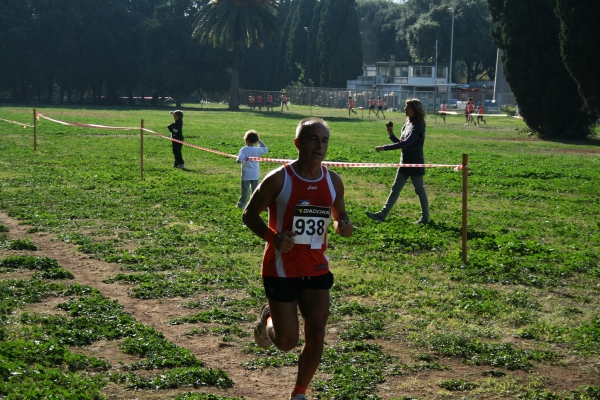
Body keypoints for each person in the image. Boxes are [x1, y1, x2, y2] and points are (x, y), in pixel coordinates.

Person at [242, 117, 353, 400]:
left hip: (316, 268)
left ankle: (299, 393)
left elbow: (339, 215)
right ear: (298, 143)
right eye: (313, 139)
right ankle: (267, 318)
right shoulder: (279, 178)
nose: (320, 145)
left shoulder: (333, 181)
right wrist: (274, 238)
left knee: (317, 333)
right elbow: (249, 214)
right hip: (281, 269)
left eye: (324, 140)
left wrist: (343, 226)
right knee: (289, 342)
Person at [365, 99, 430, 225]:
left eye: (407, 107)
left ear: (414, 110)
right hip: (404, 162)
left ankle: (425, 218)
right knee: (395, 189)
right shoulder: (407, 124)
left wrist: (385, 147)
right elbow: (402, 143)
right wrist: (391, 134)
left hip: (414, 163)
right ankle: (382, 214)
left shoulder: (419, 126)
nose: (405, 109)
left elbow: (406, 143)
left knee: (419, 190)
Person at [236, 130, 268, 209]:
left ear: (246, 140)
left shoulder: (243, 150)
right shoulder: (258, 150)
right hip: (255, 173)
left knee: (245, 190)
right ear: (255, 141)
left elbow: (239, 160)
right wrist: (259, 142)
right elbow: (265, 149)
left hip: (246, 173)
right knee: (254, 190)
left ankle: (242, 203)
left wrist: (239, 159)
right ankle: (254, 203)